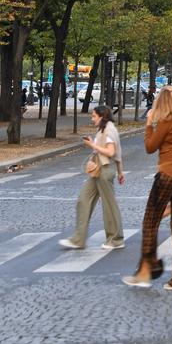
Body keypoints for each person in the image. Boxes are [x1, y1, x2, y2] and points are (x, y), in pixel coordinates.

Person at [122, 86, 172, 292]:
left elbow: (150, 147)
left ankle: (147, 269)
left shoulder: (165, 122)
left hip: (168, 175)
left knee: (150, 221)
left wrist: (148, 124)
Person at [59, 105, 125, 251]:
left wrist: (92, 145)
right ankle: (78, 239)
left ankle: (116, 240)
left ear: (102, 117)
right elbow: (116, 153)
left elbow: (111, 152)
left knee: (109, 205)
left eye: (94, 116)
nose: (92, 118)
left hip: (105, 170)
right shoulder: (104, 128)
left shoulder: (109, 130)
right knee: (83, 200)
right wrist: (120, 172)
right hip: (98, 169)